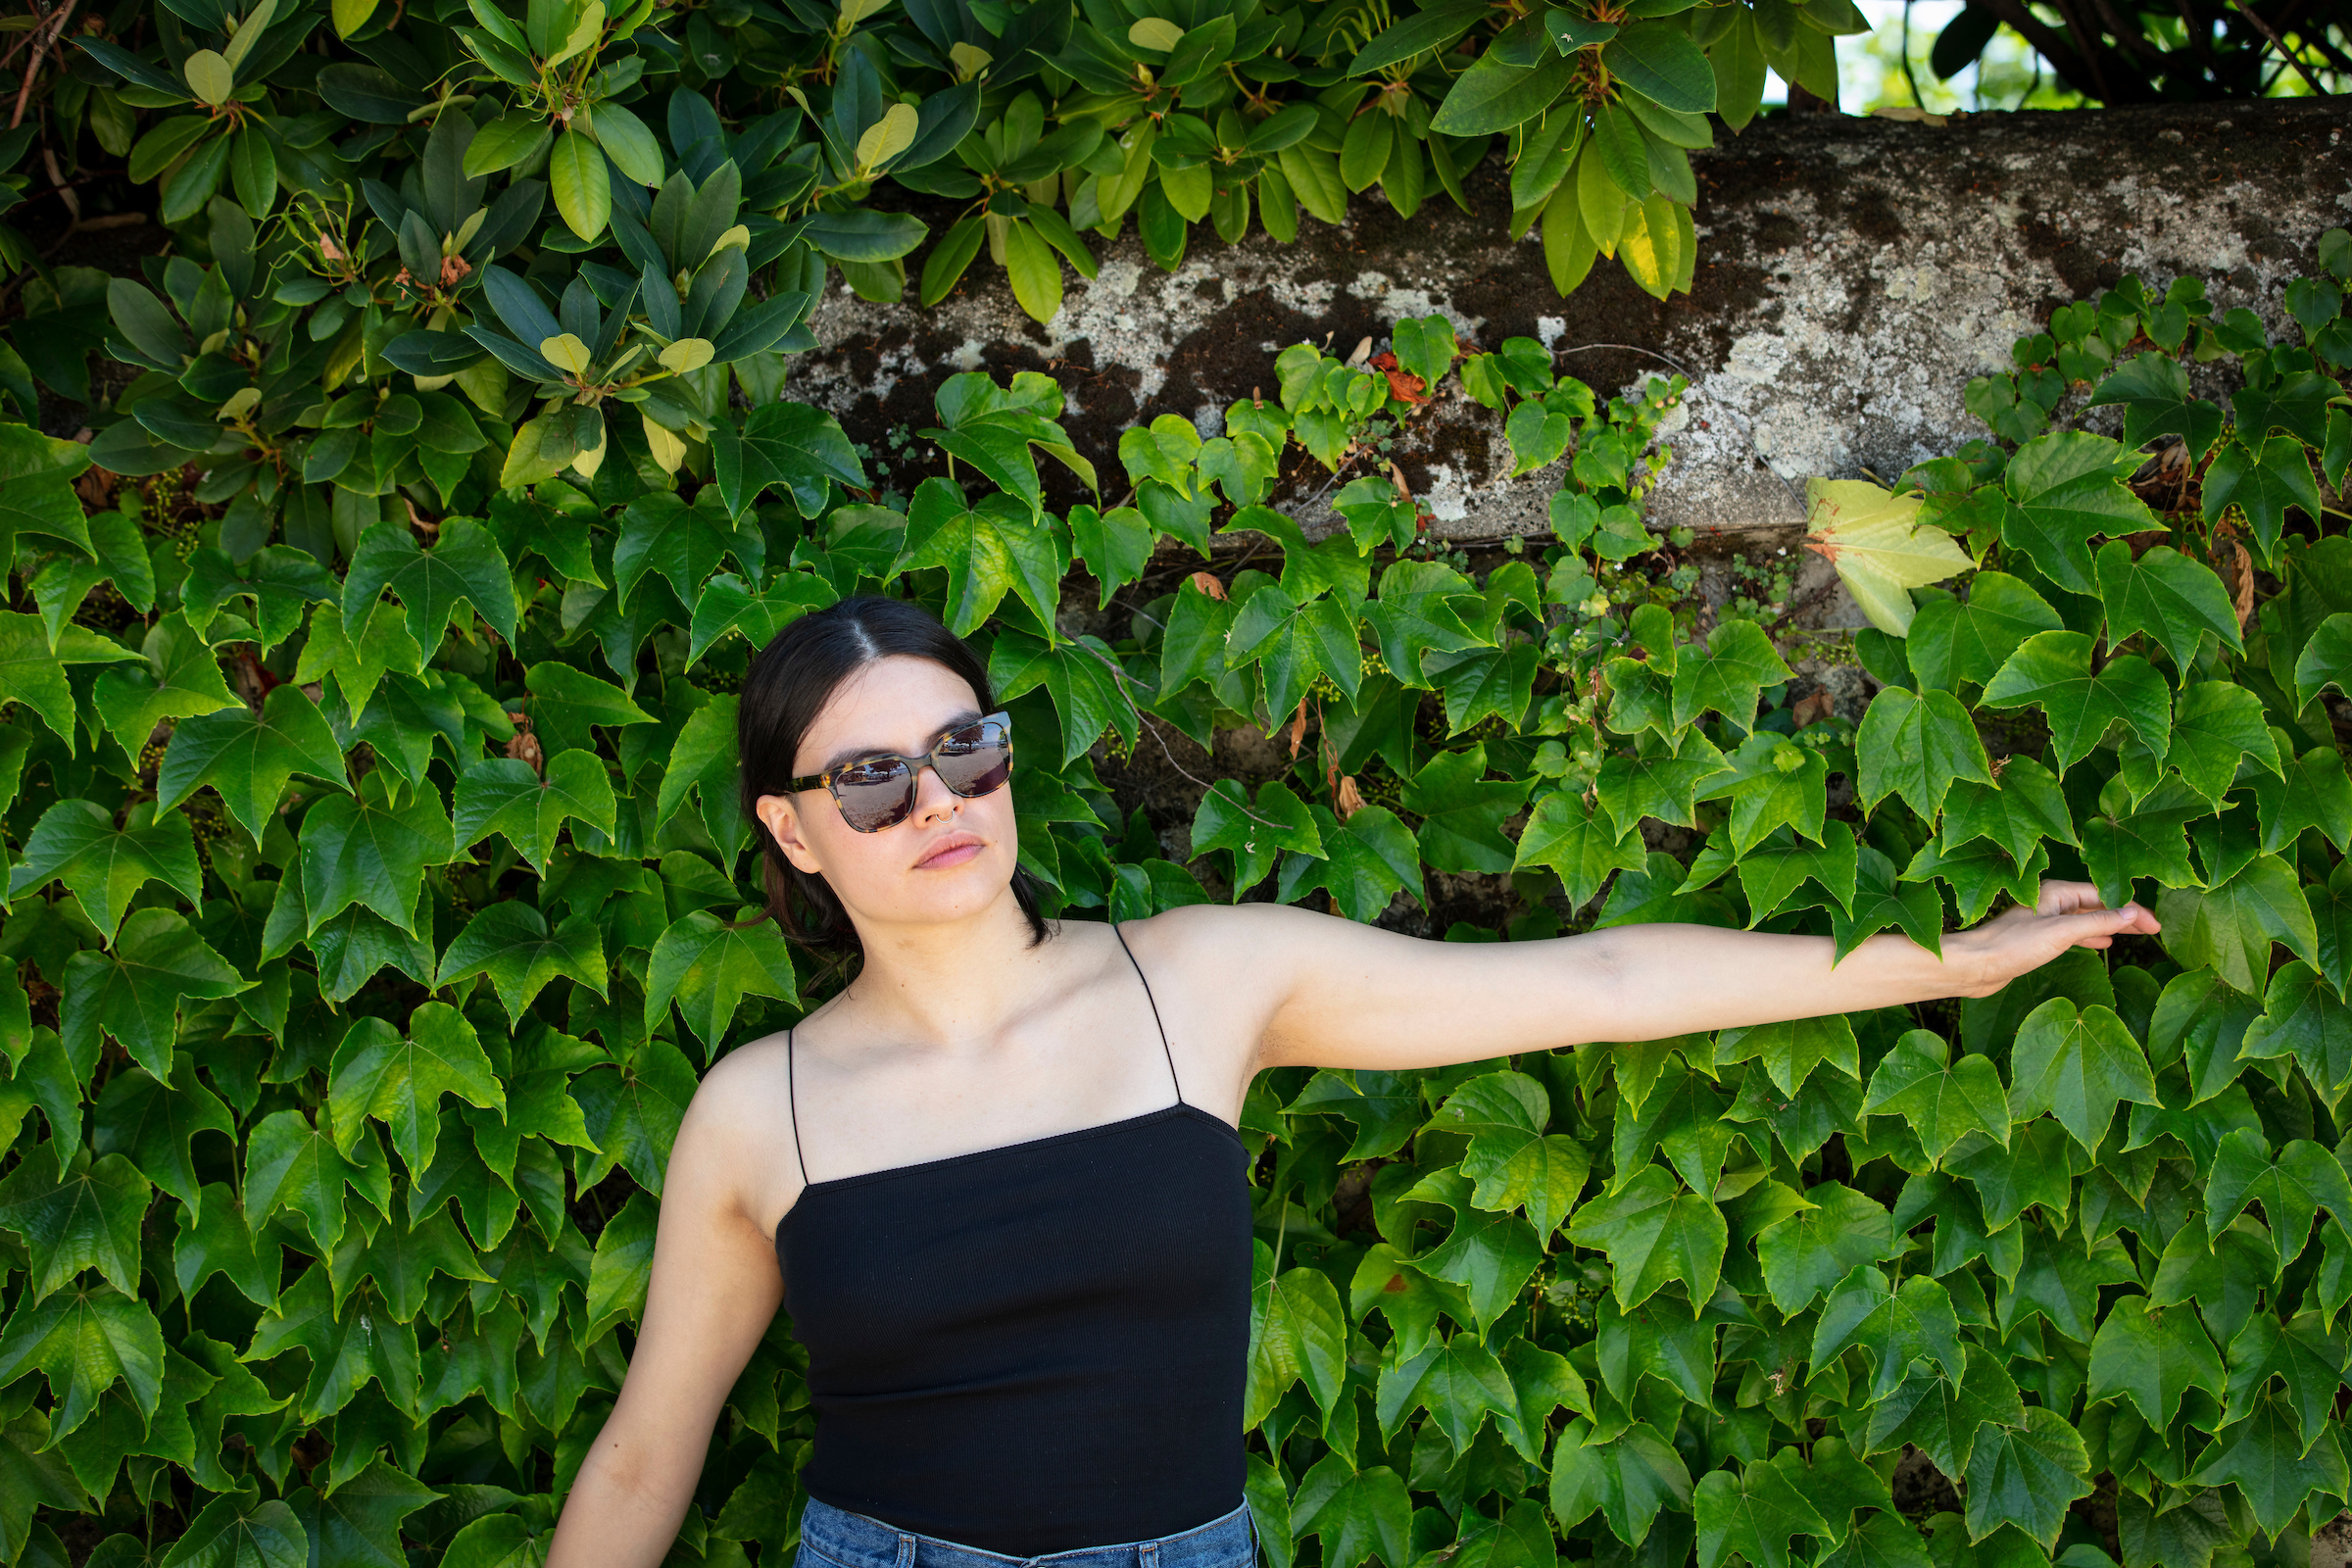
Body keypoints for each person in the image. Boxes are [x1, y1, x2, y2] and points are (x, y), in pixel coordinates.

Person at [543, 592, 2161, 1568]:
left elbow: (1593, 984)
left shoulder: (1198, 983)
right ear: (791, 827)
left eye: (966, 748)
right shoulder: (763, 1108)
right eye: (873, 778)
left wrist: (1937, 965)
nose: (937, 802)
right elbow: (640, 1452)